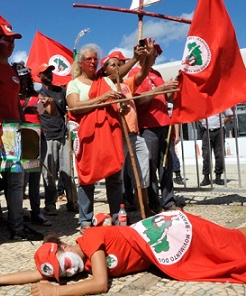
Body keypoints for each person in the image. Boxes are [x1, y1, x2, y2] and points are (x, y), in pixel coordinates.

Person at [0, 211, 246, 295]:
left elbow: (100, 285)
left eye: (65, 266)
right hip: (161, 250)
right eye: (64, 274)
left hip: (170, 231)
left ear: (64, 248)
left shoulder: (91, 241)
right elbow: (44, 273)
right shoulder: (76, 261)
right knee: (230, 253)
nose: (70, 273)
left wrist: (59, 292)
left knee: (226, 237)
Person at [0, 24, 44, 254]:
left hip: (14, 133)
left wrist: (24, 129)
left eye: (13, 40)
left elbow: (16, 106)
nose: (12, 44)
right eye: (6, 40)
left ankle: (17, 227)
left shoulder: (13, 73)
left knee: (16, 183)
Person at [66, 44, 124, 232]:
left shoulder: (106, 81)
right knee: (87, 177)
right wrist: (101, 99)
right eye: (88, 59)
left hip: (108, 134)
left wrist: (118, 105)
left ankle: (117, 216)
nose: (92, 62)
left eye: (95, 59)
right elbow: (74, 107)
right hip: (87, 136)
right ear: (81, 63)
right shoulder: (73, 84)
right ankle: (85, 220)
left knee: (114, 176)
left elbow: (115, 102)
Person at [100, 40, 156, 217]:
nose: (118, 68)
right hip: (118, 136)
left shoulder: (126, 85)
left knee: (142, 173)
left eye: (119, 65)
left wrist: (147, 57)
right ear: (105, 70)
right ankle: (118, 213)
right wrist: (135, 58)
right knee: (116, 177)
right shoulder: (103, 84)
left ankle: (144, 208)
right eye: (113, 65)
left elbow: (143, 73)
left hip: (134, 135)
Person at [132, 43, 180, 213]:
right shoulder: (134, 74)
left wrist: (172, 88)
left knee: (166, 166)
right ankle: (153, 202)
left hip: (164, 124)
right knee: (150, 167)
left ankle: (168, 201)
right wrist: (160, 88)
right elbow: (136, 100)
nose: (155, 56)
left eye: (157, 54)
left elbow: (168, 99)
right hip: (148, 126)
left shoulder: (157, 74)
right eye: (153, 53)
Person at [37, 63, 76, 214]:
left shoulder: (61, 91)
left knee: (68, 172)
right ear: (39, 76)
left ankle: (73, 202)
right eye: (45, 72)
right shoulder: (38, 94)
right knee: (49, 174)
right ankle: (50, 204)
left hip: (63, 135)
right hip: (47, 137)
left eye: (50, 71)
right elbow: (38, 113)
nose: (49, 74)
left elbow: (69, 111)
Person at [16, 62, 52, 227]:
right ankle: (18, 214)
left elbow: (48, 112)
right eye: (19, 78)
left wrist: (48, 103)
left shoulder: (36, 96)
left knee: (34, 179)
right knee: (21, 181)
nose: (22, 81)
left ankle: (36, 212)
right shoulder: (12, 96)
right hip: (20, 139)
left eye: (24, 78)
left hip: (37, 138)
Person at [200, 109, 233, 186]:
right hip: (206, 130)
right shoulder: (204, 103)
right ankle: (206, 177)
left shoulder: (221, 102)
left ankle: (218, 176)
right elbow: (197, 115)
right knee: (206, 154)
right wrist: (203, 123)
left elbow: (229, 116)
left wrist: (221, 124)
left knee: (219, 154)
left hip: (219, 130)